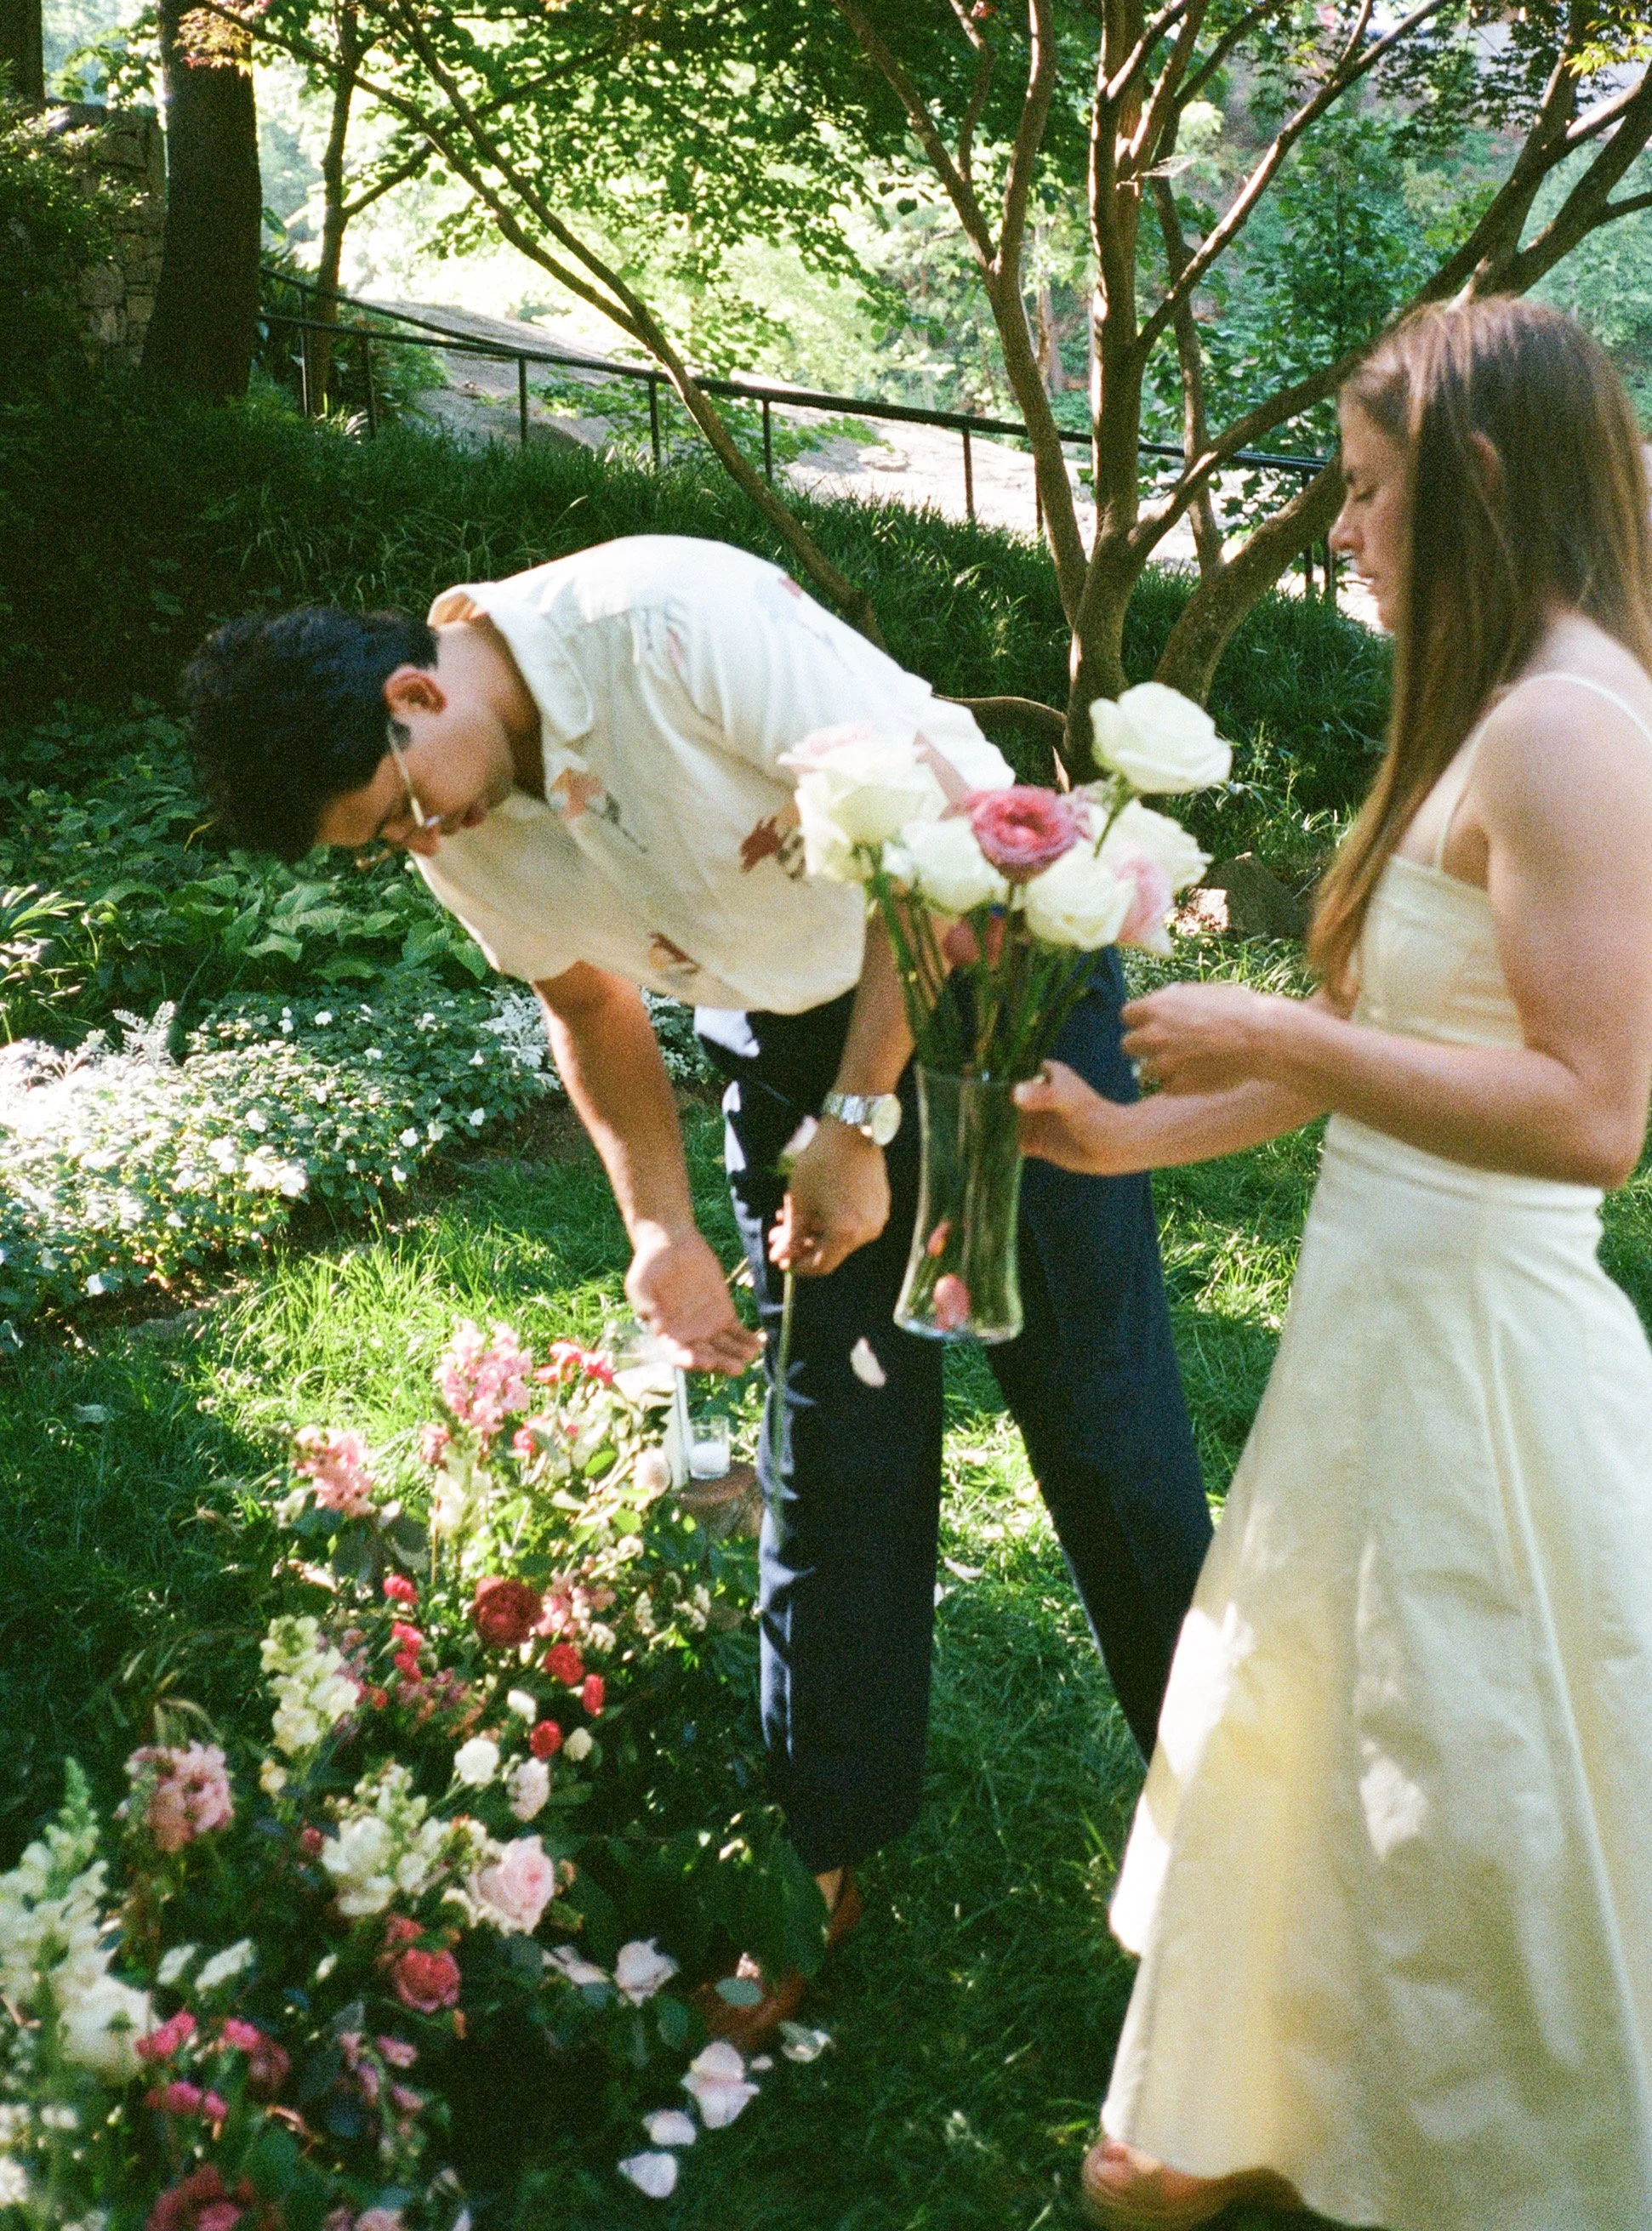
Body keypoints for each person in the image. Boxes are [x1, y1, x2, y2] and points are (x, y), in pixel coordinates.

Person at [181, 533, 1213, 2029]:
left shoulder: (666, 616)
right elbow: (588, 1002)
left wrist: (864, 1125)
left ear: (416, 690)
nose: (419, 843)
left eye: (401, 809)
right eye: (380, 843)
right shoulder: (448, 798)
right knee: (830, 1459)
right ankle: (817, 1866)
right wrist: (659, 1227)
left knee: (1102, 1435)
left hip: (994, 987)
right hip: (788, 1042)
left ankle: (1244, 1841)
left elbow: (961, 850)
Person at [1016, 298, 1652, 2231]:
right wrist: (1127, 1135)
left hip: (1481, 1346)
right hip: (1378, 1318)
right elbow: (1396, 1061)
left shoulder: (1566, 728)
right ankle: (1243, 2090)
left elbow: (1587, 1115)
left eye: (1367, 493)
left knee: (1469, 1742)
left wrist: (1286, 1041)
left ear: (1469, 476)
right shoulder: (1484, 706)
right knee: (1317, 1715)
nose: (1344, 534)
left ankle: (1498, 2135)